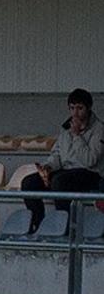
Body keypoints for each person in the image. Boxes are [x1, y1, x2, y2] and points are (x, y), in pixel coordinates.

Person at [20, 89, 104, 232]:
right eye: (72, 108)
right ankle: (38, 223)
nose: (75, 113)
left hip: (90, 173)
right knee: (29, 182)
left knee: (59, 182)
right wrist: (48, 167)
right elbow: (57, 153)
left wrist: (77, 136)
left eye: (79, 108)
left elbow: (90, 160)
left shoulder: (99, 129)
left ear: (88, 108)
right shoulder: (66, 129)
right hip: (66, 171)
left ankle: (65, 227)